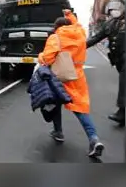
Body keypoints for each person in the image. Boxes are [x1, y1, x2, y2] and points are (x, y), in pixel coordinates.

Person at [37, 10, 105, 158]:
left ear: (56, 27)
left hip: (59, 77)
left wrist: (40, 56)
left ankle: (59, 132)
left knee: (55, 104)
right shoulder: (80, 34)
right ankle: (94, 139)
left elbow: (47, 59)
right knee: (80, 108)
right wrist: (69, 15)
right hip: (77, 77)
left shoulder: (56, 37)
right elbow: (77, 24)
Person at [87, 0, 126, 126]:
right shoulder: (110, 24)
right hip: (119, 60)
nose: (114, 10)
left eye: (118, 6)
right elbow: (95, 38)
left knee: (125, 82)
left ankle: (122, 113)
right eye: (113, 6)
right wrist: (77, 47)